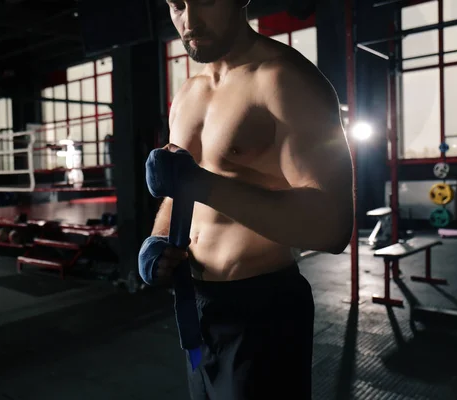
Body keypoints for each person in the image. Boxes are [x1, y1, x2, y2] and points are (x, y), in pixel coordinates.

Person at [143, 0, 354, 399]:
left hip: (263, 312)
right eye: (176, 4)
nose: (189, 20)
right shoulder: (188, 93)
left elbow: (333, 226)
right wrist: (158, 239)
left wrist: (203, 185)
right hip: (196, 307)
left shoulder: (284, 80)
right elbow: (177, 195)